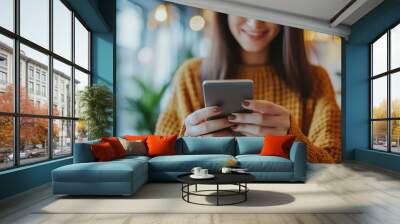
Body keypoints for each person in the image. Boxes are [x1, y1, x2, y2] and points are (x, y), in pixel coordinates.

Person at [155, 13, 341, 163]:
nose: (255, 23)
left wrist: (292, 139)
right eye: (243, 5)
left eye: (267, 6)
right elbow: (158, 159)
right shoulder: (189, 76)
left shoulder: (316, 80)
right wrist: (187, 144)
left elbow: (332, 163)